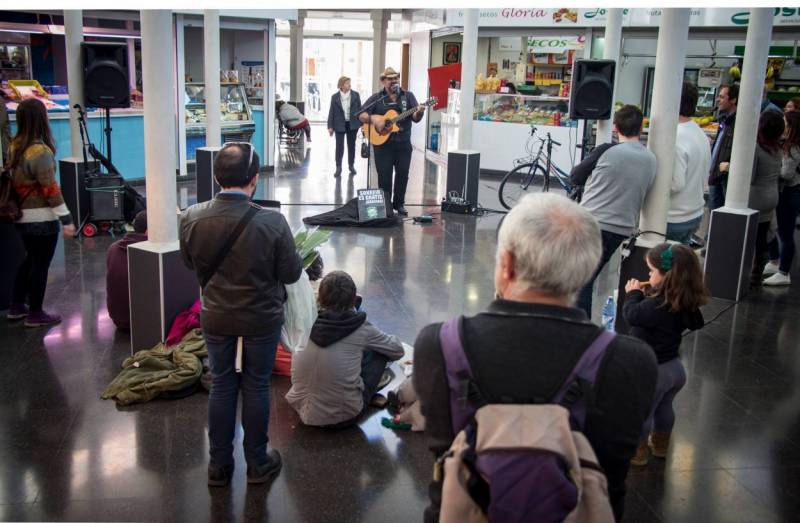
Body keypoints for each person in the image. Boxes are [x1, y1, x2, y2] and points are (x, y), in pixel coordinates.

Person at [414, 193, 657, 522]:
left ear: (507, 265)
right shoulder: (633, 360)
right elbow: (613, 471)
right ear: (585, 270)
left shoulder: (438, 345)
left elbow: (441, 448)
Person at [179, 142, 304, 487]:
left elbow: (189, 262)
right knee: (256, 384)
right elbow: (291, 274)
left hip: (216, 314)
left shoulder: (191, 217)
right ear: (254, 179)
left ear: (217, 177)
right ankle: (257, 462)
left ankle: (218, 467)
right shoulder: (273, 221)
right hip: (261, 317)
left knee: (222, 384)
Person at [623, 243, 707, 466]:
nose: (648, 274)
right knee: (664, 407)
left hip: (652, 371)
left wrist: (632, 294)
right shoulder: (683, 301)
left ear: (667, 275)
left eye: (651, 271)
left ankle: (637, 452)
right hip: (674, 369)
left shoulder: (653, 307)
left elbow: (632, 315)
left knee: (643, 412)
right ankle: (660, 446)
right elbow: (696, 322)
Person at [286, 270, 404, 428]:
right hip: (343, 416)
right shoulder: (361, 328)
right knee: (379, 352)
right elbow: (397, 350)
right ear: (353, 300)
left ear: (320, 298)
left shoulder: (305, 322)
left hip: (301, 408)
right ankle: (370, 388)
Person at [572, 105, 657, 317]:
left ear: (616, 127)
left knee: (581, 279)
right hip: (622, 228)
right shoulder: (651, 159)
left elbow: (575, 177)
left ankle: (581, 330)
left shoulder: (606, 150)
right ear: (641, 128)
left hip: (592, 223)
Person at [7, 98, 75, 327]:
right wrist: (66, 219)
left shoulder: (14, 146)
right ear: (41, 119)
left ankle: (16, 305)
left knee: (30, 260)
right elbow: (50, 189)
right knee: (40, 265)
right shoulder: (40, 151)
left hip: (20, 217)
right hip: (41, 219)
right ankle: (35, 312)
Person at [358, 67, 426, 216]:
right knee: (384, 175)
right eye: (390, 78)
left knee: (403, 174)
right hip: (383, 145)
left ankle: (399, 203)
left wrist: (419, 112)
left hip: (403, 144)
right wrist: (374, 119)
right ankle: (386, 205)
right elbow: (360, 114)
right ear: (383, 81)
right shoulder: (377, 98)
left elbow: (415, 118)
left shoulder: (408, 97)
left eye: (396, 78)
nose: (394, 80)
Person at [667, 82, 711, 245]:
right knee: (679, 267)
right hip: (694, 213)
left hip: (674, 217)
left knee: (662, 269)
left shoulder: (676, 136)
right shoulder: (699, 132)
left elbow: (675, 184)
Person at [748, 111, 785, 284]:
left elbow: (751, 177)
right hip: (772, 196)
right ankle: (757, 272)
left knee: (749, 236)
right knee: (762, 237)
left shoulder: (756, 148)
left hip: (756, 197)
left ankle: (745, 269)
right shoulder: (778, 148)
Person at [764, 111, 800, 286]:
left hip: (789, 193)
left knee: (785, 233)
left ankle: (784, 271)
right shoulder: (785, 145)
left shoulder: (793, 148)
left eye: (786, 122)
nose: (783, 125)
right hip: (783, 192)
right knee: (775, 229)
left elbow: (787, 173)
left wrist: (772, 168)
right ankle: (774, 261)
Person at [106, 210, 147, 330]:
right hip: (145, 323)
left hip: (118, 319)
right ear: (148, 230)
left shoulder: (113, 248)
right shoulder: (151, 253)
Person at [708, 84, 739, 211]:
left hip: (725, 176)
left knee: (723, 213)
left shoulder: (738, 122)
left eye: (722, 97)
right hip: (717, 173)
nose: (718, 99)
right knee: (714, 210)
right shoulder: (724, 119)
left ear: (733, 100)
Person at [327, 76, 362, 178]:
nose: (349, 85)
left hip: (352, 124)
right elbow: (331, 112)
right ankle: (338, 167)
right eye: (347, 83)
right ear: (341, 85)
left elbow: (360, 110)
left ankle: (351, 166)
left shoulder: (356, 95)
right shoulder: (335, 97)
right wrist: (330, 126)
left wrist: (361, 123)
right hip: (339, 124)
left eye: (349, 83)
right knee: (339, 147)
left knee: (351, 146)